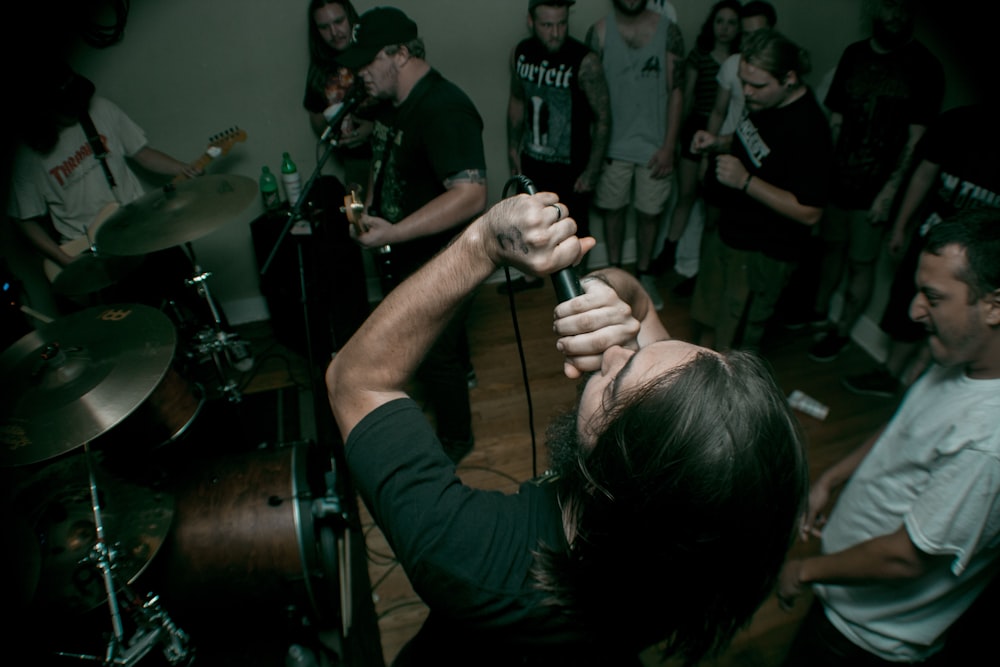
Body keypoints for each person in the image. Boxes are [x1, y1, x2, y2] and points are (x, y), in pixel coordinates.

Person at [325, 189, 810, 666]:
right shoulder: (708, 544)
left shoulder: (475, 560)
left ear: (607, 477)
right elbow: (642, 313)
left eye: (619, 379)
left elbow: (355, 381)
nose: (617, 350)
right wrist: (616, 294)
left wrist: (483, 244)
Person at [777, 209, 1000, 665]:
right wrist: (833, 478)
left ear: (995, 305)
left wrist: (803, 570)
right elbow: (907, 427)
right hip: (844, 594)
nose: (914, 310)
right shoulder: (961, 360)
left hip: (864, 641)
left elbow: (906, 558)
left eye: (933, 297)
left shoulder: (989, 443)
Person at [336, 6, 487, 464]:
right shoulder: (396, 104)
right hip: (407, 254)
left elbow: (470, 194)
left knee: (436, 353)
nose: (360, 73)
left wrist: (397, 231)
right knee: (436, 352)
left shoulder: (444, 107)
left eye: (368, 63)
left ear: (399, 54)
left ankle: (457, 441)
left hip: (440, 257)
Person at [6, 64, 205, 319]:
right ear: (46, 109)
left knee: (191, 289)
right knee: (137, 320)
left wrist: (184, 168)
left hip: (139, 225)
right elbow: (24, 220)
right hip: (94, 253)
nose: (79, 108)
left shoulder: (100, 109)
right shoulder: (26, 155)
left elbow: (141, 153)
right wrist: (63, 259)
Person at [806, 0, 945, 362]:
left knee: (860, 262)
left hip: (876, 191)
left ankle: (841, 330)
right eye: (889, 7)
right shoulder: (854, 55)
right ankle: (818, 313)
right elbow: (835, 122)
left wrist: (889, 193)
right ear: (874, 10)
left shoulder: (925, 67)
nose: (897, 15)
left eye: (904, 8)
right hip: (837, 182)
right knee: (830, 249)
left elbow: (917, 140)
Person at [842, 102, 999, 398]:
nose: (920, 308)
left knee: (953, 322)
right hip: (931, 238)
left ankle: (918, 385)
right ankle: (891, 376)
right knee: (907, 310)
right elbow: (924, 174)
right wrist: (901, 225)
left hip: (981, 262)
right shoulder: (959, 121)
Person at [688, 28, 831, 352]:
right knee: (708, 316)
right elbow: (759, 147)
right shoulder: (766, 103)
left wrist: (745, 182)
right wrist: (718, 142)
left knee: (734, 341)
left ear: (789, 78)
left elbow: (810, 211)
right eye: (743, 81)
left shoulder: (809, 129)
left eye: (758, 85)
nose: (747, 92)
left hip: (763, 253)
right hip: (731, 232)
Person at [499, 0, 611, 294]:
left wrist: (592, 171)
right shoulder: (521, 54)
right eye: (547, 25)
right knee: (529, 225)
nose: (556, 32)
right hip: (533, 160)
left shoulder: (585, 60)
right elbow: (517, 101)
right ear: (531, 22)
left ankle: (578, 290)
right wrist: (513, 148)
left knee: (574, 233)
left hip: (572, 167)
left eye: (562, 24)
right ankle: (531, 277)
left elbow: (603, 119)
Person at [585, 0, 685, 311]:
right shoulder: (599, 33)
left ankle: (644, 276)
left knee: (649, 214)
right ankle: (614, 275)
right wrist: (597, 151)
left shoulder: (669, 32)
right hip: (613, 147)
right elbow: (590, 96)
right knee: (613, 211)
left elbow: (677, 91)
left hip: (655, 147)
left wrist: (669, 146)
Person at [651, 0, 741, 285]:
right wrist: (677, 139)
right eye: (720, 21)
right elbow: (686, 98)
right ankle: (668, 253)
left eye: (731, 23)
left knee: (714, 206)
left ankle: (702, 269)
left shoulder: (743, 62)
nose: (724, 28)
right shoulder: (699, 56)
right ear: (711, 25)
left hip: (727, 134)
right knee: (686, 196)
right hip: (695, 129)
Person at [303, 0, 373, 191]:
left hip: (393, 154)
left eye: (339, 21)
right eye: (324, 27)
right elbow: (316, 117)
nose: (334, 33)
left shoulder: (374, 49)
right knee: (361, 216)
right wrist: (335, 131)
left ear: (350, 16)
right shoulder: (320, 69)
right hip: (355, 163)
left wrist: (372, 128)